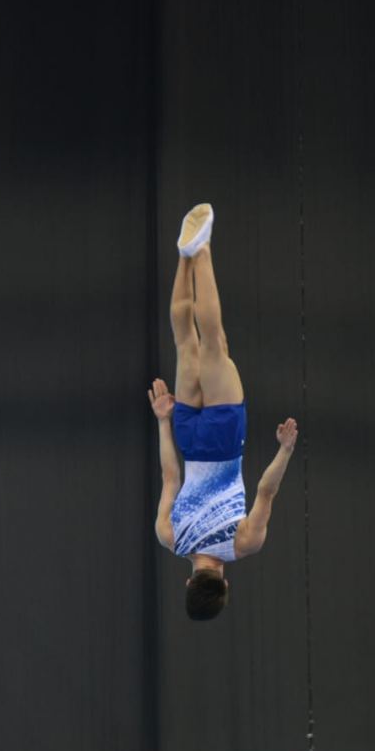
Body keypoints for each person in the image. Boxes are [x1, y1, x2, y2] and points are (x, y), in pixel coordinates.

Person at [148, 203, 298, 621]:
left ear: (224, 584)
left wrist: (285, 450)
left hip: (225, 440)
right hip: (188, 439)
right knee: (185, 343)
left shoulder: (243, 544)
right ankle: (185, 257)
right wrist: (163, 420)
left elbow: (266, 491)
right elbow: (170, 476)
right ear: (188, 583)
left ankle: (203, 249)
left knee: (213, 343)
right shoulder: (168, 537)